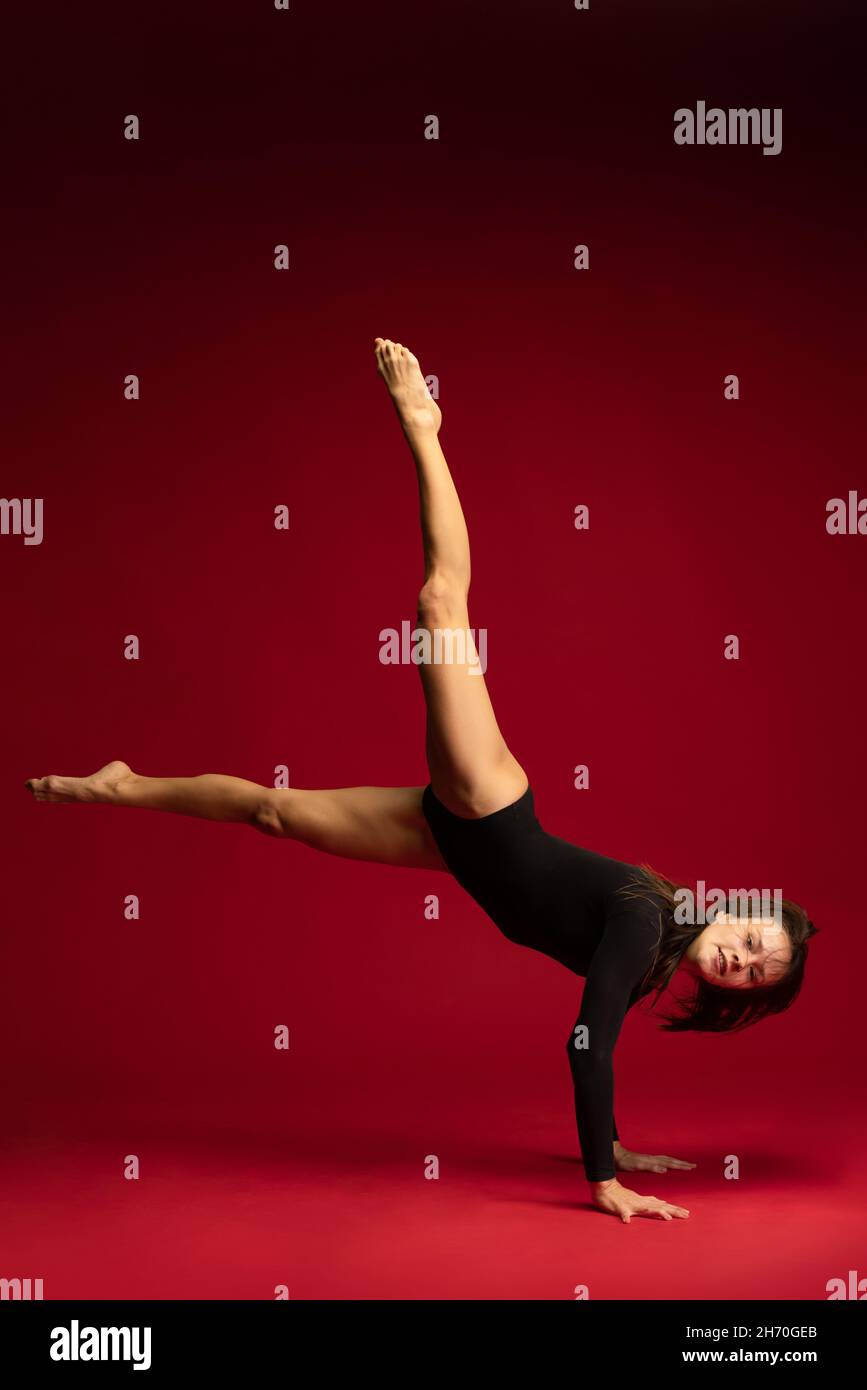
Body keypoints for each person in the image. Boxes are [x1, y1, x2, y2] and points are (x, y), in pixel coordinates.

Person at [26, 338, 817, 1223]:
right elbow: (585, 1045)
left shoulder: (659, 946)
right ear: (734, 909)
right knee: (440, 605)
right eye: (752, 939)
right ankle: (424, 427)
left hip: (455, 845)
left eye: (752, 972)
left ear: (737, 996)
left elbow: (603, 1032)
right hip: (487, 805)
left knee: (272, 812)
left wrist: (618, 1138)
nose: (740, 958)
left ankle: (122, 784)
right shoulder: (650, 917)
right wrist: (604, 1177)